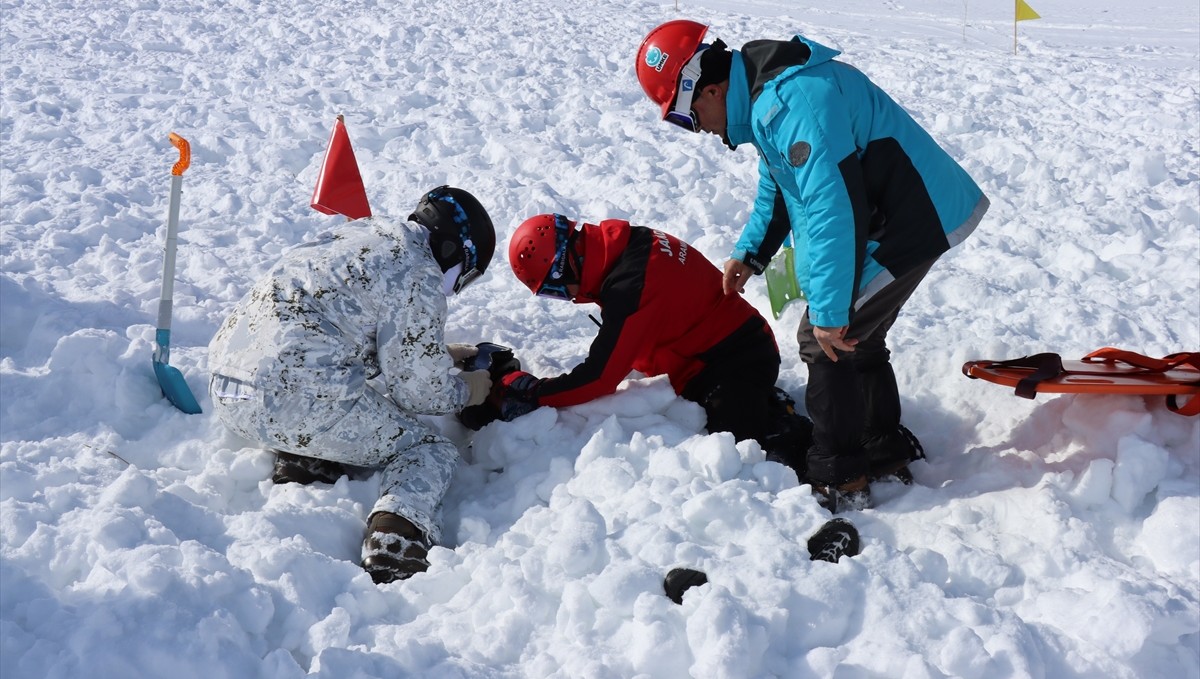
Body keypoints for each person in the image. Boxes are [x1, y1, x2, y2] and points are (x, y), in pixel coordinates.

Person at [635, 21, 990, 512]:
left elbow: (831, 206)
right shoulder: (769, 98)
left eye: (687, 116)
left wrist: (828, 307)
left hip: (912, 218)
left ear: (711, 89)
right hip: (896, 214)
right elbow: (781, 182)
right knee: (855, 338)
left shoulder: (791, 102)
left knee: (825, 341)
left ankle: (839, 476)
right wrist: (751, 251)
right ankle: (880, 450)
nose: (697, 130)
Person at [207, 185, 497, 584]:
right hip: (290, 398)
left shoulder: (358, 236)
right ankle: (397, 541)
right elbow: (419, 393)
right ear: (454, 251)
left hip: (228, 388)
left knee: (340, 388)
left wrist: (440, 352)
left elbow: (348, 328)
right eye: (464, 276)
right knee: (428, 449)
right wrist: (471, 389)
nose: (453, 287)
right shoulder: (419, 271)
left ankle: (307, 456)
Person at [493, 213, 812, 464]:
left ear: (564, 267)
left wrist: (537, 392)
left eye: (555, 290)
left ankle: (804, 445)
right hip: (722, 346)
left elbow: (599, 378)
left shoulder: (629, 289)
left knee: (740, 445)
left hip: (740, 359)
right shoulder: (628, 244)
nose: (567, 297)